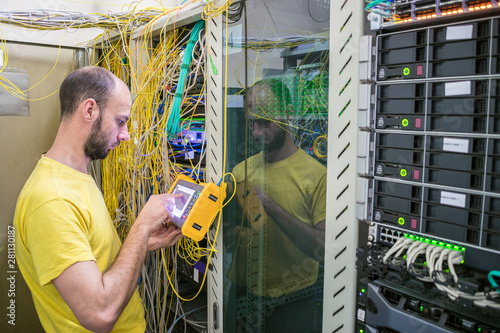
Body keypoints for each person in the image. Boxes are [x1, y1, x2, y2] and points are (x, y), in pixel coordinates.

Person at [13, 66, 184, 333]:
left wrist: (142, 243)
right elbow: (100, 314)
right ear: (89, 110)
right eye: (120, 121)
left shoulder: (76, 176)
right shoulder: (53, 200)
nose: (126, 134)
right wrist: (141, 225)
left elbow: (95, 262)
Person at [226, 78, 327, 332]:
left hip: (293, 303)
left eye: (265, 122)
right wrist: (229, 232)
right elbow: (234, 238)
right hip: (242, 295)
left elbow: (325, 247)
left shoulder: (317, 176)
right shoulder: (241, 171)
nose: (256, 132)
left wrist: (271, 206)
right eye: (252, 123)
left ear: (288, 115)